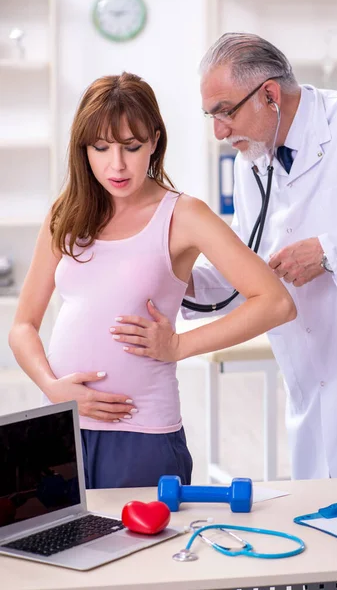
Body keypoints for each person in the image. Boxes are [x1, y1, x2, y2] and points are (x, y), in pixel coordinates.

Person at [8, 71, 296, 490]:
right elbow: (22, 326)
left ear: (155, 142)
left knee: (144, 551)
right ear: (83, 148)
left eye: (132, 146)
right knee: (61, 546)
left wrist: (180, 345)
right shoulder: (65, 214)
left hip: (142, 433)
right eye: (101, 148)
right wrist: (52, 387)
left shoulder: (184, 215)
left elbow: (275, 302)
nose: (117, 164)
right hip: (62, 426)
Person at [178, 32, 337, 480]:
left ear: (270, 95)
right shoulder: (252, 163)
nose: (219, 131)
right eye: (211, 116)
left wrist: (330, 251)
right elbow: (248, 264)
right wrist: (184, 284)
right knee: (325, 527)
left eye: (224, 112)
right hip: (310, 380)